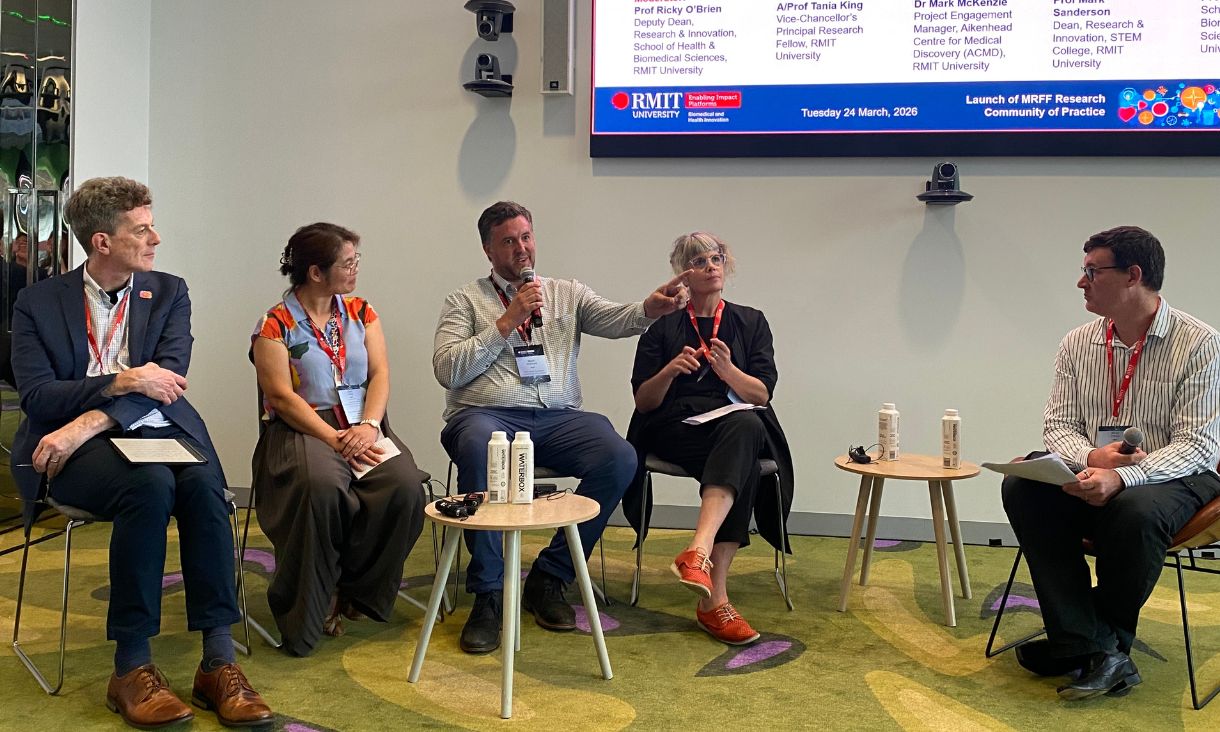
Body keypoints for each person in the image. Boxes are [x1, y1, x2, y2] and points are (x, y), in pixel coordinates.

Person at [9, 177, 272, 728]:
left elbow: (170, 381)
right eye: (142, 227)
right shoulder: (36, 302)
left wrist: (90, 418)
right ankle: (131, 666)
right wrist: (122, 383)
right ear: (102, 241)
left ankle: (217, 662)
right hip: (66, 452)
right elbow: (37, 396)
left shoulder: (170, 291)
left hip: (142, 427)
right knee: (149, 485)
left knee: (201, 487)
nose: (156, 237)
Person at [433, 200, 690, 654]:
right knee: (478, 445)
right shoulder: (464, 300)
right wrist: (507, 321)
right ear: (488, 250)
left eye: (526, 236)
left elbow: (614, 319)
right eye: (508, 241)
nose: (522, 249)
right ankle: (488, 594)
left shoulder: (565, 292)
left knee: (620, 456)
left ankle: (550, 577)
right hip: (486, 415)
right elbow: (448, 370)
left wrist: (650, 309)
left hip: (558, 418)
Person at [1002, 225, 1220, 701]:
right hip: (1093, 470)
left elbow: (1201, 445)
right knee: (1023, 487)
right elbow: (1057, 426)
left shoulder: (1199, 342)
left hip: (1177, 474)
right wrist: (1091, 458)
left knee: (1135, 510)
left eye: (1092, 271)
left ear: (1132, 276)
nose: (1081, 282)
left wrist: (1122, 476)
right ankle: (1096, 649)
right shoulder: (1077, 342)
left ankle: (1079, 643)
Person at [251, 222, 427, 656]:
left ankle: (356, 589)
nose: (355, 270)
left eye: (355, 261)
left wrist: (369, 425)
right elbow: (279, 396)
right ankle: (308, 609)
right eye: (347, 263)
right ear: (315, 272)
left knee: (405, 486)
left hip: (362, 422)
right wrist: (333, 437)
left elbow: (381, 374)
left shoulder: (362, 312)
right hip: (302, 426)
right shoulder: (275, 324)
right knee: (322, 488)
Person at [623, 232, 793, 645]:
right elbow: (644, 403)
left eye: (716, 258)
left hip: (733, 425)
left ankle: (698, 557)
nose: (711, 266)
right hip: (674, 428)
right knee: (744, 453)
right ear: (684, 273)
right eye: (699, 261)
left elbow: (761, 394)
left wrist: (728, 371)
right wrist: (668, 372)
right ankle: (714, 600)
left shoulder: (751, 321)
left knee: (748, 428)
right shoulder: (662, 327)